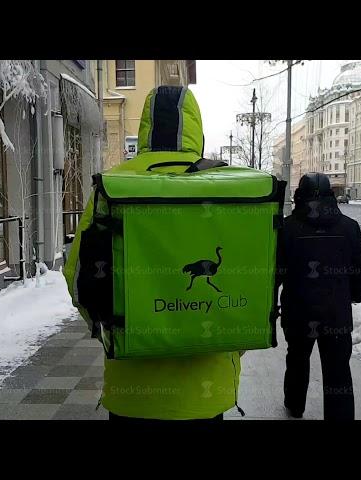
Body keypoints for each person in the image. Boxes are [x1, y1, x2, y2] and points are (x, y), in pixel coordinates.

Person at [64, 86, 241, 422]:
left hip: (133, 392)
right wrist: (231, 338)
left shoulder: (113, 186)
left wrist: (112, 328)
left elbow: (78, 280)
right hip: (204, 394)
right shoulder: (226, 186)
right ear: (195, 129)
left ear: (145, 128)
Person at [277, 173, 361, 420]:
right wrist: (353, 296)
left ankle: (294, 405)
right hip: (336, 314)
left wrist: (271, 303)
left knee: (297, 360)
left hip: (298, 313)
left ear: (299, 196)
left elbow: (274, 272)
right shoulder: (349, 227)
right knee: (338, 370)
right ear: (332, 195)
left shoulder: (286, 228)